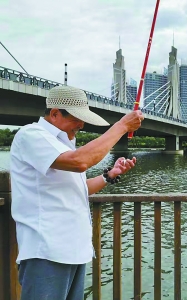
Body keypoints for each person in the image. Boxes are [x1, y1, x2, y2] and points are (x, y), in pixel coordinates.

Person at [10, 85, 144, 300]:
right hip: (46, 252)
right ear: (54, 114)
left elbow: (78, 189)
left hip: (74, 250)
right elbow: (80, 162)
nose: (81, 125)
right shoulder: (31, 135)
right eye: (76, 118)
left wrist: (109, 175)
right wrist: (121, 126)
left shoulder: (64, 145)